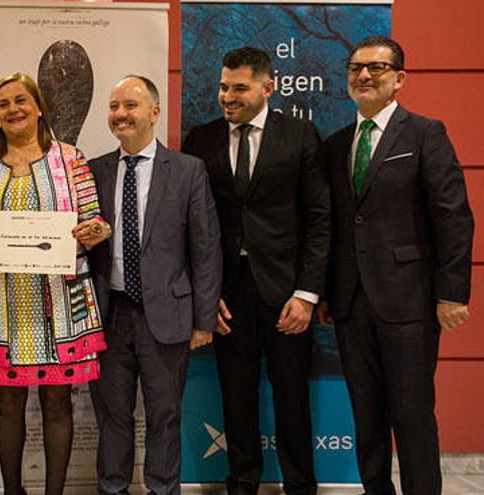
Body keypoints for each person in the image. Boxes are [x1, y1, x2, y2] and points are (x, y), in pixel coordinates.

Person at [317, 36, 473, 494]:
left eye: (377, 68)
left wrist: (453, 292)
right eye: (356, 68)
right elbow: (334, 225)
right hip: (350, 304)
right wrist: (327, 291)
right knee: (365, 416)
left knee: (411, 413)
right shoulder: (336, 144)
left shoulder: (426, 133)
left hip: (411, 302)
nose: (364, 75)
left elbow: (454, 216)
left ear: (400, 79)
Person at [181, 47, 328, 495]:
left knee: (291, 397)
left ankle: (301, 485)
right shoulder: (200, 139)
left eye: (239, 88)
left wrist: (307, 295)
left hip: (286, 293)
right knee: (236, 396)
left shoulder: (300, 135)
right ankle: (242, 483)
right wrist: (204, 296)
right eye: (224, 86)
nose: (227, 96)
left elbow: (320, 218)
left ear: (268, 88)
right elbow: (188, 225)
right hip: (227, 293)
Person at [0, 72, 110, 495]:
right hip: (7, 303)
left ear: (39, 106)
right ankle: (13, 491)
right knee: (8, 405)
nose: (13, 109)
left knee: (57, 402)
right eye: (3, 103)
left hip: (61, 304)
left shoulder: (71, 159)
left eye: (20, 100)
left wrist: (94, 231)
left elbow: (95, 219)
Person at [88, 75, 222, 495]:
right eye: (114, 106)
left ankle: (163, 489)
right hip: (108, 314)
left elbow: (206, 249)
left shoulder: (187, 170)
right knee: (111, 414)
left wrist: (204, 320)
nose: (120, 114)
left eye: (130, 105)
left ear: (155, 112)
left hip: (167, 315)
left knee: (165, 413)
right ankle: (112, 487)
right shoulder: (94, 171)